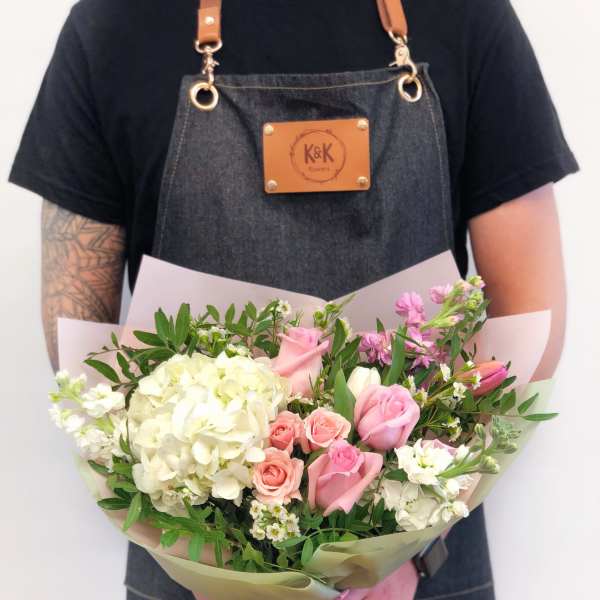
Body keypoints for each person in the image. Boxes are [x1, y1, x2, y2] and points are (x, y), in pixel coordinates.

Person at [9, 1, 577, 599]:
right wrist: (214, 555)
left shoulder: (465, 14)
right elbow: (79, 330)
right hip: (191, 563)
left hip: (423, 565)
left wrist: (403, 542)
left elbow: (528, 313)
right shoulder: (115, 23)